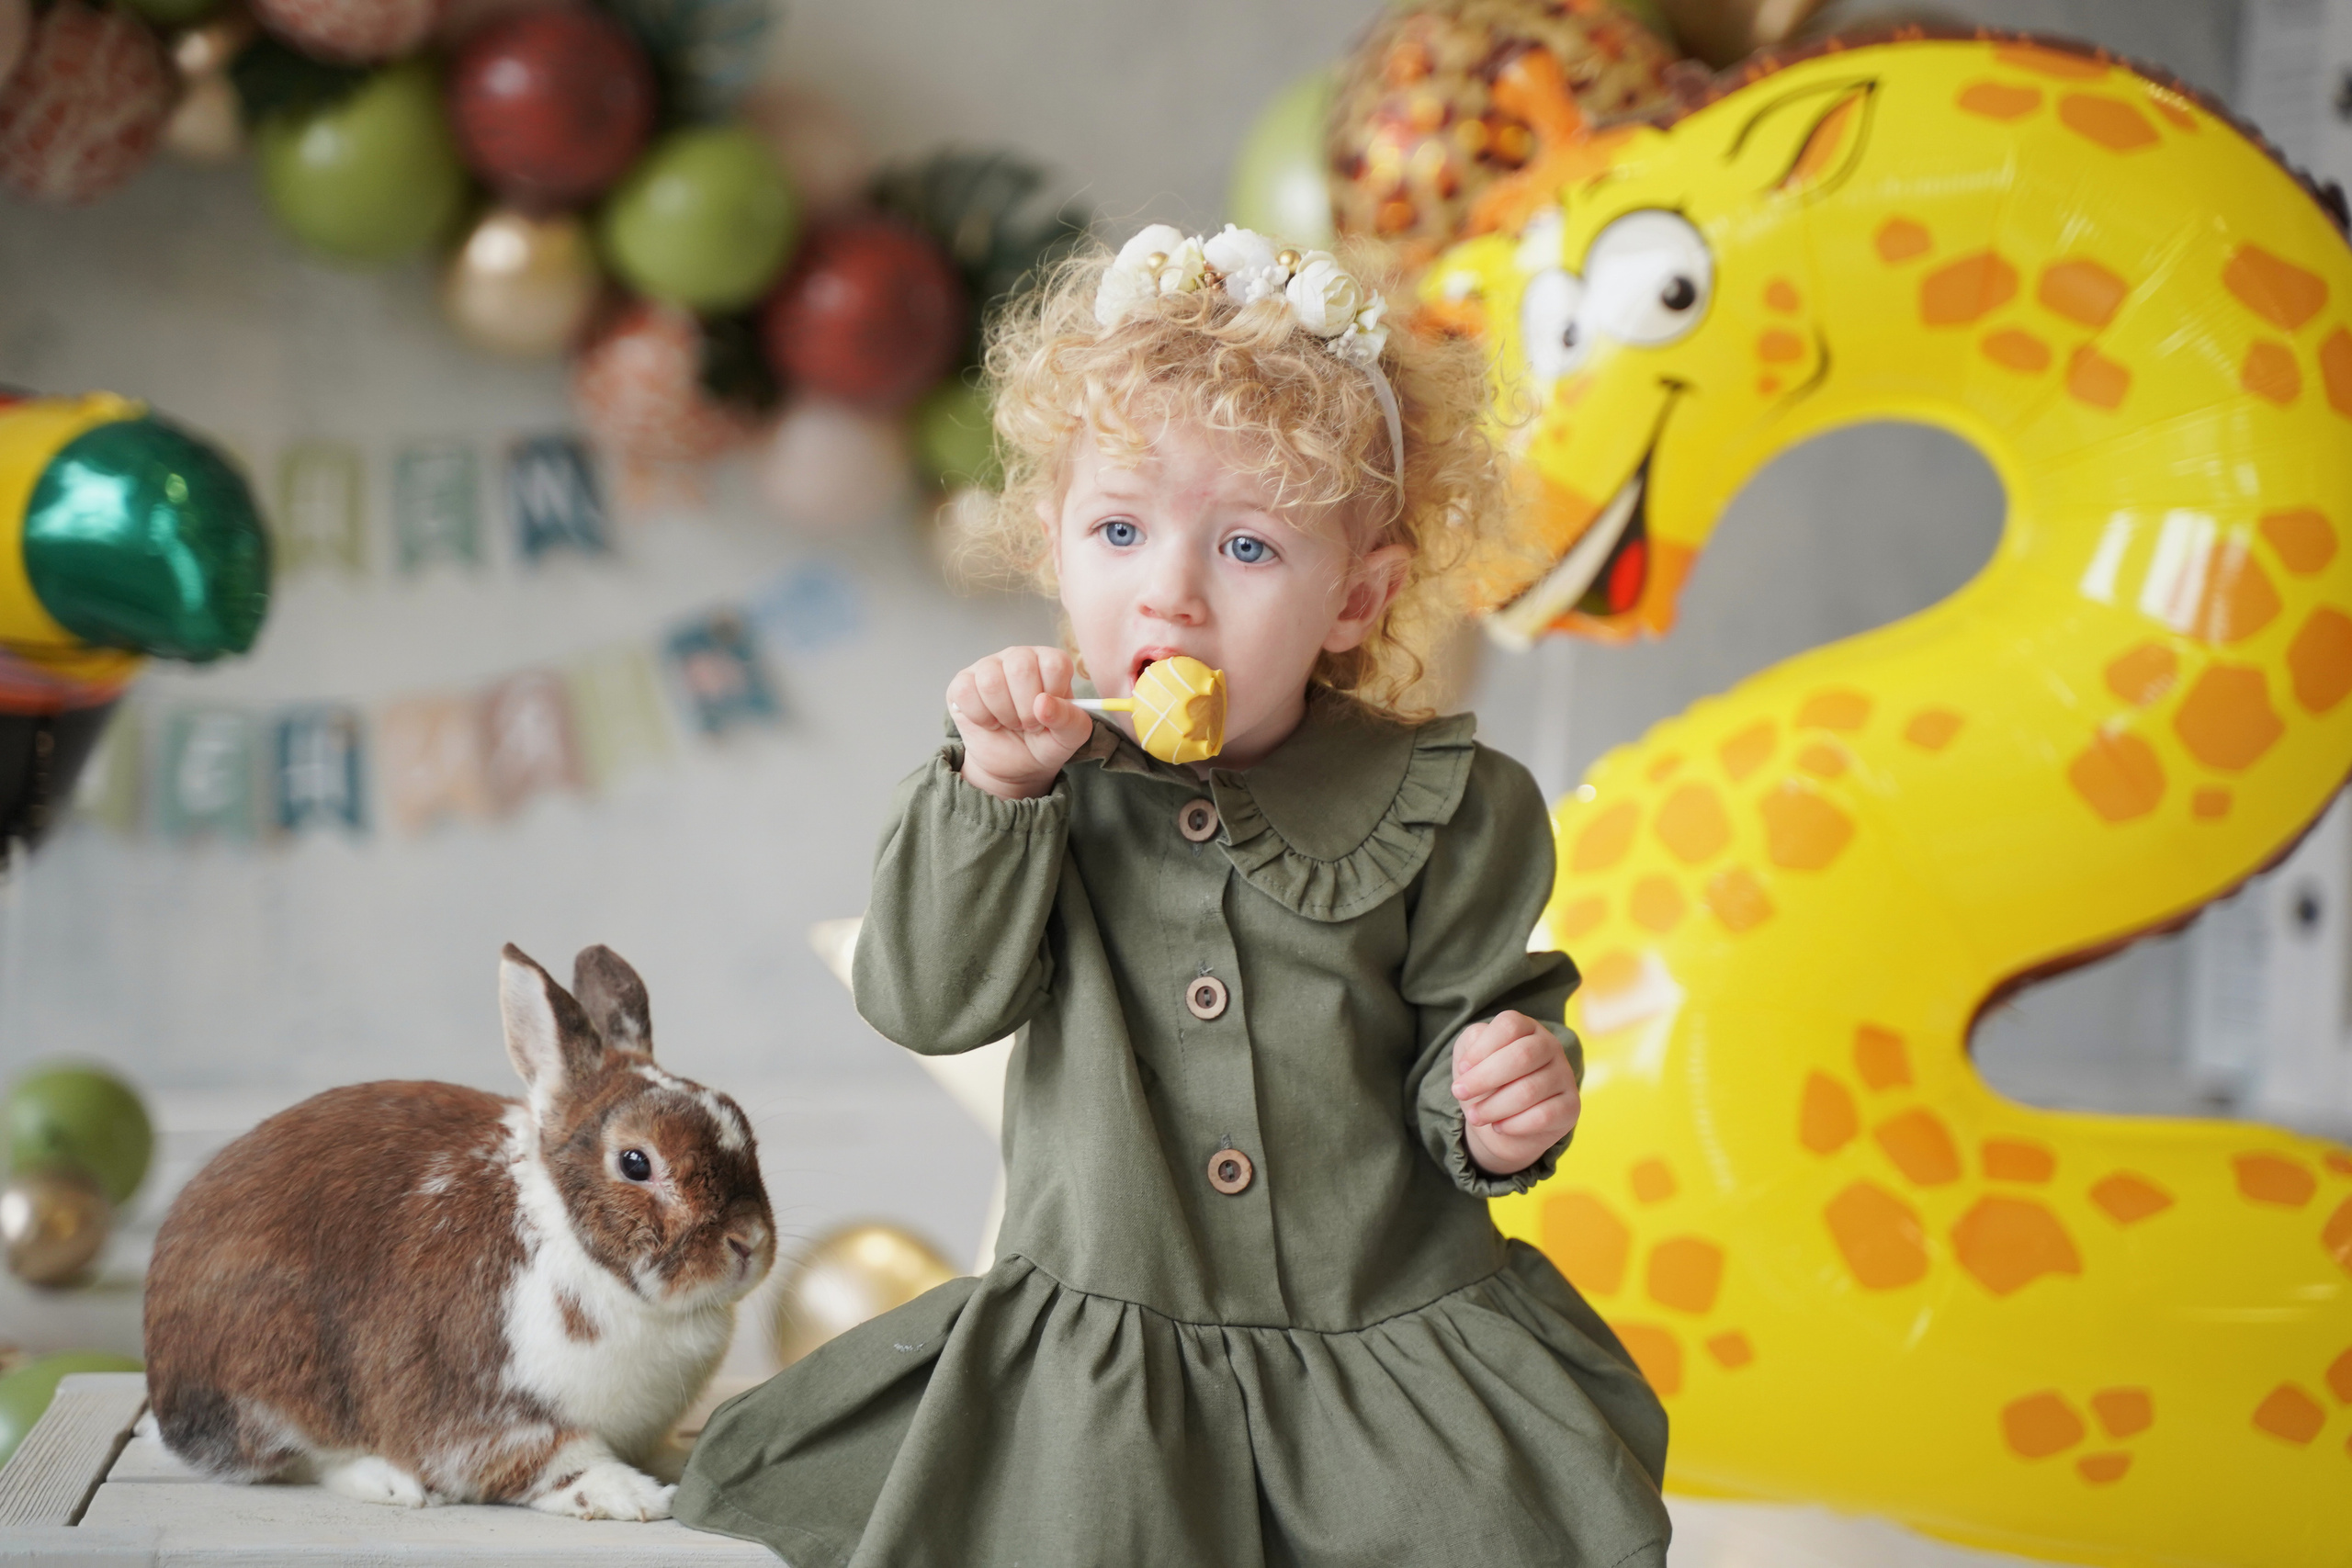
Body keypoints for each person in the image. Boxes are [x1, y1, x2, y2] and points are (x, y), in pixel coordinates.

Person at [677, 223, 1669, 1566]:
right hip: (1115, 1345)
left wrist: (1500, 1096)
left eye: (1249, 548)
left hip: (1379, 1333)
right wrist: (999, 795)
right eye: (1122, 528)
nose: (1172, 593)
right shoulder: (1028, 774)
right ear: (1054, 544)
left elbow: (1476, 1032)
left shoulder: (1447, 801)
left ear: (1357, 599)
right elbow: (927, 1001)